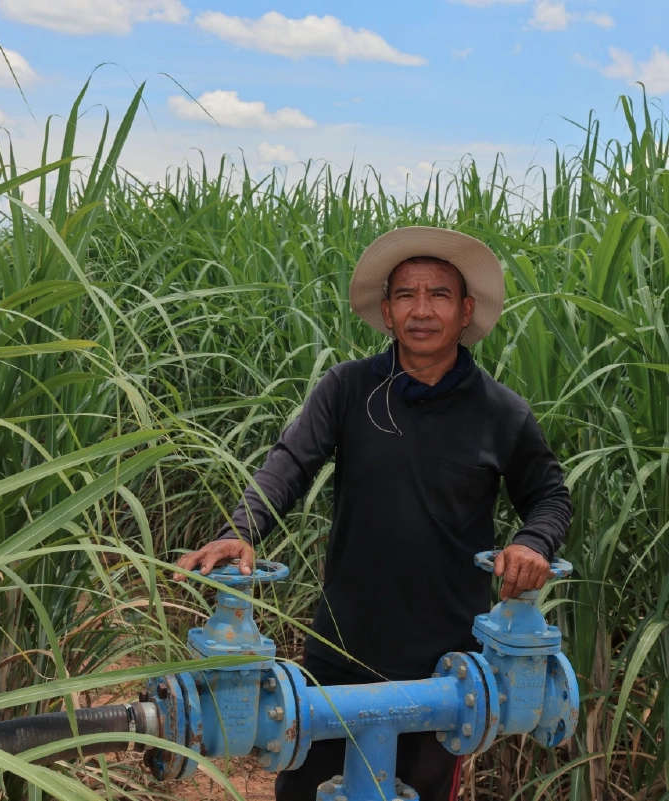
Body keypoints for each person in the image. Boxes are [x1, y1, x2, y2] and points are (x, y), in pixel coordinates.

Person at [174, 226, 573, 801]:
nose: (422, 309)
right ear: (386, 312)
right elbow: (289, 464)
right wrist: (241, 530)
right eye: (406, 295)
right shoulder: (347, 388)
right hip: (340, 650)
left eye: (438, 294)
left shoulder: (501, 413)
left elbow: (551, 496)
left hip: (447, 669)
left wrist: (534, 542)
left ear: (466, 312)